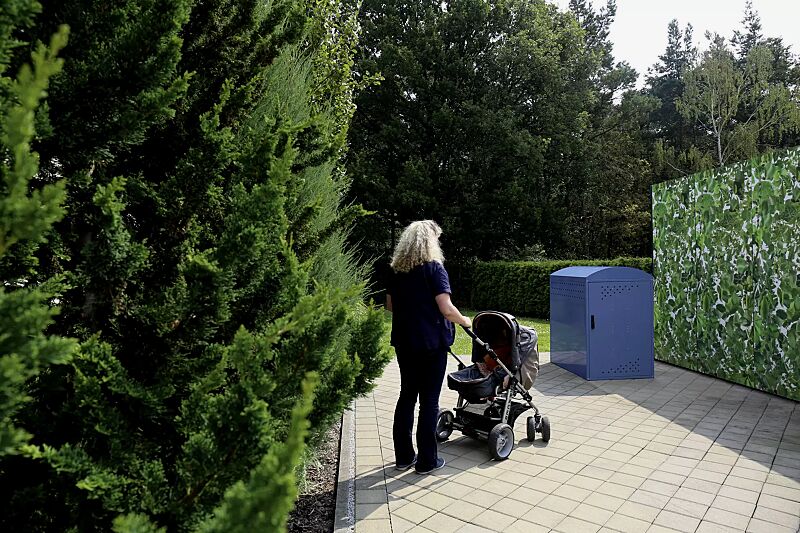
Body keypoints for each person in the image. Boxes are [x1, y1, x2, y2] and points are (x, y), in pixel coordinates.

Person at [386, 220, 471, 474]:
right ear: (430, 242)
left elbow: (389, 306)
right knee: (429, 402)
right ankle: (426, 462)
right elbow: (446, 308)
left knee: (406, 397)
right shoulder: (434, 269)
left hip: (404, 341)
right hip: (431, 344)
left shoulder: (395, 271)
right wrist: (465, 320)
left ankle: (403, 457)